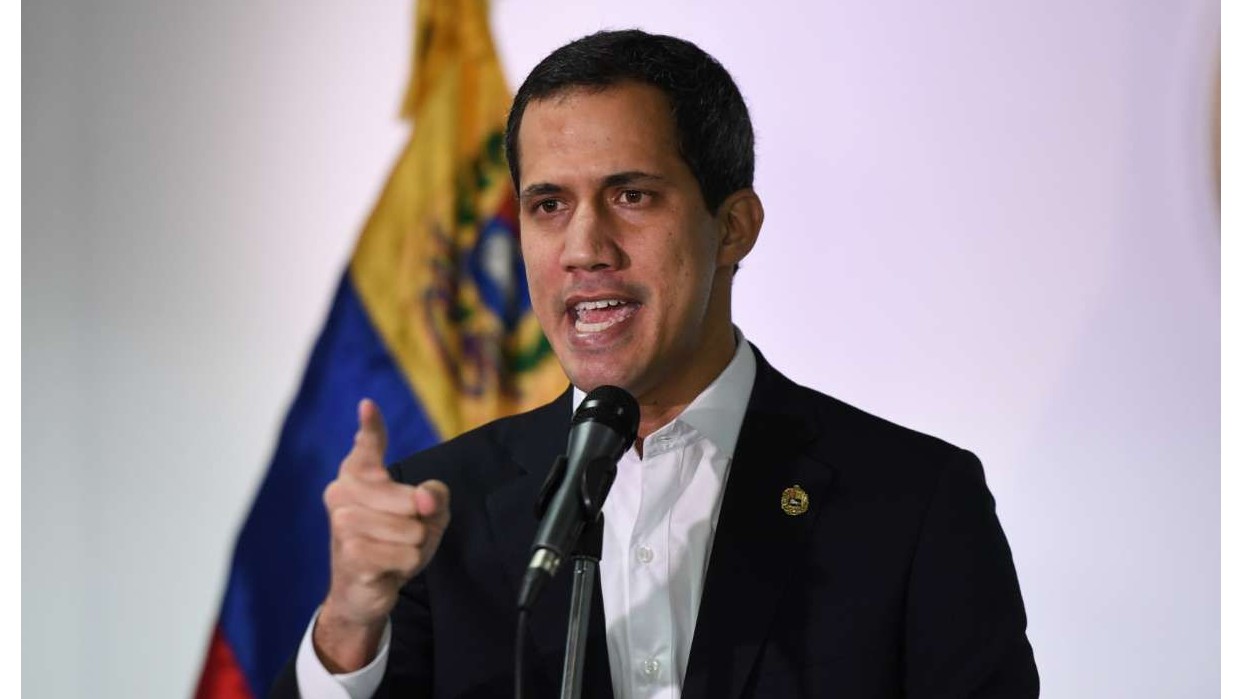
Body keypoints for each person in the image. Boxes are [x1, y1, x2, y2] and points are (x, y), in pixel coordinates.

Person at [275, 29, 1039, 699]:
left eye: (632, 196)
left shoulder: (915, 502)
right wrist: (348, 623)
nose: (583, 249)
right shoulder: (437, 512)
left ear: (733, 227)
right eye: (548, 205)